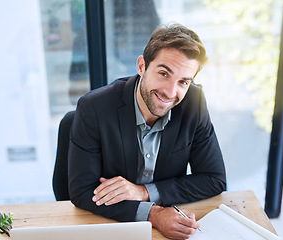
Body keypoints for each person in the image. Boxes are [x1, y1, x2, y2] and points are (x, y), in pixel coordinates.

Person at [68, 23, 226, 240]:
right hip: (108, 227)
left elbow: (214, 179)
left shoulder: (194, 103)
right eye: (163, 73)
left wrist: (143, 192)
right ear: (142, 66)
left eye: (183, 82)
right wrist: (153, 213)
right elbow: (82, 191)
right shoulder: (93, 108)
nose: (171, 92)